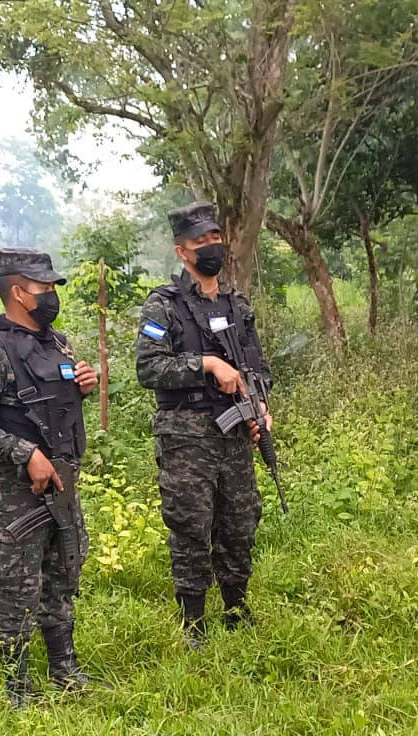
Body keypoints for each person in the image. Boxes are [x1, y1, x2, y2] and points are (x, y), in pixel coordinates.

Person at [0, 248, 99, 708]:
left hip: (63, 484)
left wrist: (85, 385)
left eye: (54, 286)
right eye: (44, 287)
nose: (52, 294)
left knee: (61, 576)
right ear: (18, 292)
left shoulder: (57, 344)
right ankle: (17, 689)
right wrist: (25, 453)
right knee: (18, 588)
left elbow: (57, 409)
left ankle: (64, 667)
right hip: (20, 495)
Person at [135, 201, 273, 647]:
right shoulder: (164, 306)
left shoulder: (237, 305)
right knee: (192, 525)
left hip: (233, 436)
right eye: (201, 241)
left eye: (216, 238)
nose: (211, 246)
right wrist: (207, 364)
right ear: (182, 251)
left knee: (239, 521)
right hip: (186, 438)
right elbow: (148, 369)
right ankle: (193, 621)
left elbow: (259, 366)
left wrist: (260, 406)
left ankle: (236, 607)